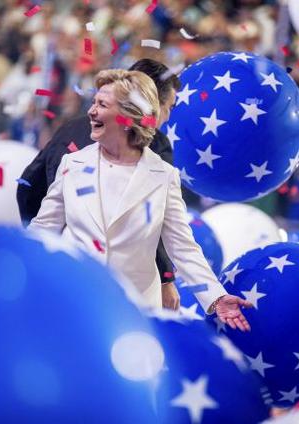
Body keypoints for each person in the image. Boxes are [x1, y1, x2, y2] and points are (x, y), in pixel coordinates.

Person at [28, 69, 252, 330]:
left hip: (134, 318)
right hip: (73, 306)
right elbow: (43, 231)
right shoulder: (72, 163)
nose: (91, 111)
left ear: (127, 117)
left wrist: (216, 297)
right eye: (93, 102)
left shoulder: (163, 175)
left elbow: (182, 247)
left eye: (102, 104)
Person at [18, 59, 180, 310]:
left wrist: (47, 244)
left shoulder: (71, 126)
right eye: (169, 107)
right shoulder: (155, 144)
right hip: (118, 296)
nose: (167, 117)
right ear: (149, 105)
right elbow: (154, 225)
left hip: (70, 279)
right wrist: (166, 279)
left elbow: (28, 185)